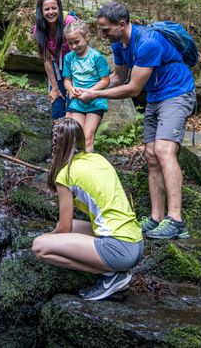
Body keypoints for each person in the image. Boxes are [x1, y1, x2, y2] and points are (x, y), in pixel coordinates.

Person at [78, 2, 196, 240]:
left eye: (105, 29)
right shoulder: (120, 44)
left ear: (121, 25)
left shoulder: (148, 42)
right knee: (151, 156)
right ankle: (156, 218)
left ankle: (176, 220)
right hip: (156, 97)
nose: (101, 35)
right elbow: (119, 76)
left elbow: (132, 88)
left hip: (177, 94)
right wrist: (87, 89)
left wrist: (97, 95)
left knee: (164, 150)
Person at [32, 118, 144, 301]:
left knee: (40, 246)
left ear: (56, 146)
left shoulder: (65, 175)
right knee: (73, 225)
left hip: (119, 250)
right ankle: (114, 270)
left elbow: (64, 229)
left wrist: (49, 237)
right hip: (136, 243)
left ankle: (112, 275)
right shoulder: (97, 159)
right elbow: (68, 226)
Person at [62, 19, 110, 152]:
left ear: (87, 37)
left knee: (88, 137)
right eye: (70, 43)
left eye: (77, 42)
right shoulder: (69, 58)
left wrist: (90, 92)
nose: (74, 46)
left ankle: (89, 169)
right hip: (78, 101)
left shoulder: (97, 57)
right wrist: (71, 89)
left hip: (95, 101)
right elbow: (67, 81)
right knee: (77, 136)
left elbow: (105, 81)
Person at [32, 0, 76, 119]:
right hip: (57, 70)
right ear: (41, 11)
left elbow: (83, 48)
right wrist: (54, 87)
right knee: (57, 107)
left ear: (59, 9)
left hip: (76, 68)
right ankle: (58, 136)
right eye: (47, 9)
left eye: (54, 8)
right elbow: (46, 59)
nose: (51, 12)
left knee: (73, 106)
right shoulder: (39, 29)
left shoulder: (69, 22)